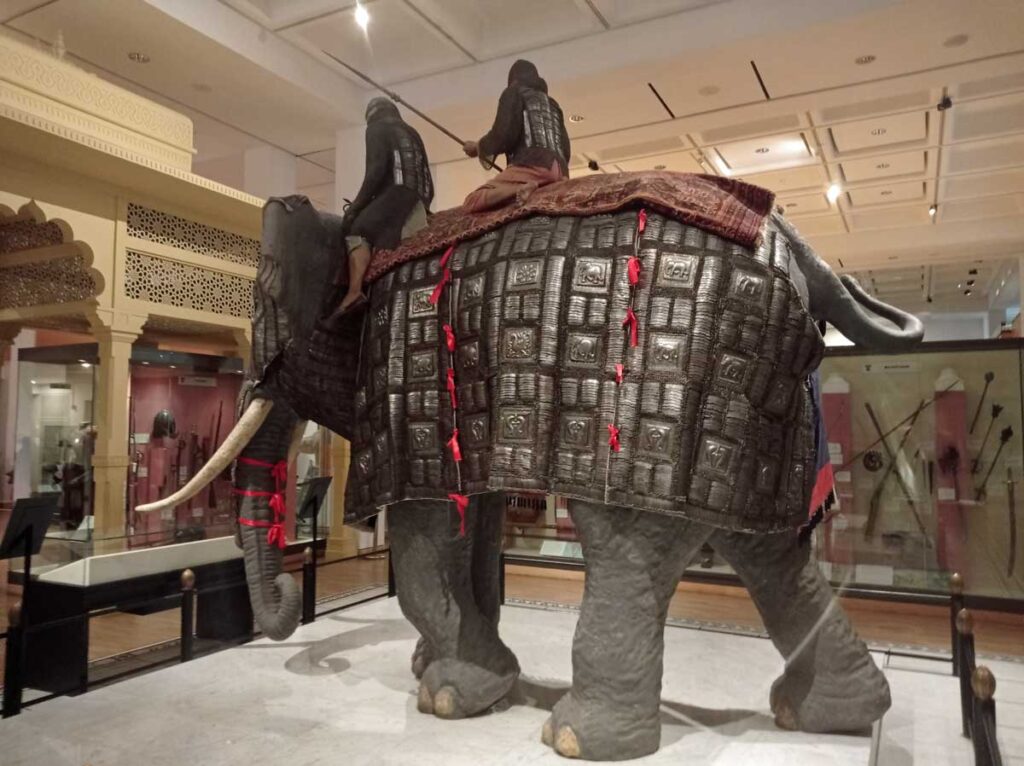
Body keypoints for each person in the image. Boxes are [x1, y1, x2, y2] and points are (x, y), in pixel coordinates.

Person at [335, 97, 434, 316]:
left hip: (396, 195)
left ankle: (353, 291)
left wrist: (355, 208)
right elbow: (427, 178)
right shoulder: (412, 132)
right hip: (420, 199)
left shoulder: (376, 128)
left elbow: (376, 171)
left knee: (357, 229)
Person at [462, 59, 571, 213]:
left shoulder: (513, 92)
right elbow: (565, 149)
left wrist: (478, 146)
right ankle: (534, 186)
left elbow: (503, 135)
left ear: (513, 79)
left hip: (534, 166)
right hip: (560, 172)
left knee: (472, 201)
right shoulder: (553, 104)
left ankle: (519, 189)